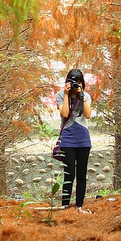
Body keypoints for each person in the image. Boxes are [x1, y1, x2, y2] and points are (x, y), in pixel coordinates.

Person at [55, 68, 93, 212]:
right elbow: (64, 113)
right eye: (73, 82)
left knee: (81, 173)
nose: (75, 85)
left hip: (83, 139)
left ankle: (79, 205)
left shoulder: (86, 96)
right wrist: (66, 94)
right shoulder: (60, 95)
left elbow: (88, 115)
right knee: (69, 173)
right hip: (67, 139)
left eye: (78, 82)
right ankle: (65, 204)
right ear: (67, 82)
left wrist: (81, 95)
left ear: (82, 83)